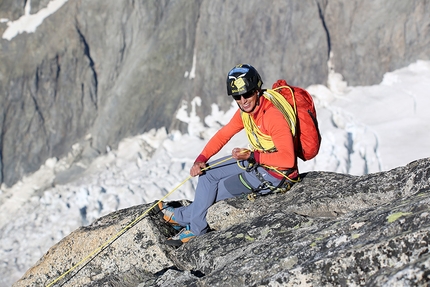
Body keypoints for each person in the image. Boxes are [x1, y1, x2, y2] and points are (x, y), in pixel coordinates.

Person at [156, 64, 299, 246]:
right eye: (237, 96)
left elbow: (288, 160)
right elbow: (224, 135)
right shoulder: (247, 113)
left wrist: (252, 157)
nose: (243, 100)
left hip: (275, 175)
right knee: (207, 175)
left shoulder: (272, 116)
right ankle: (182, 219)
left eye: (247, 94)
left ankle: (190, 226)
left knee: (214, 193)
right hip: (260, 164)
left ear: (257, 90)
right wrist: (201, 160)